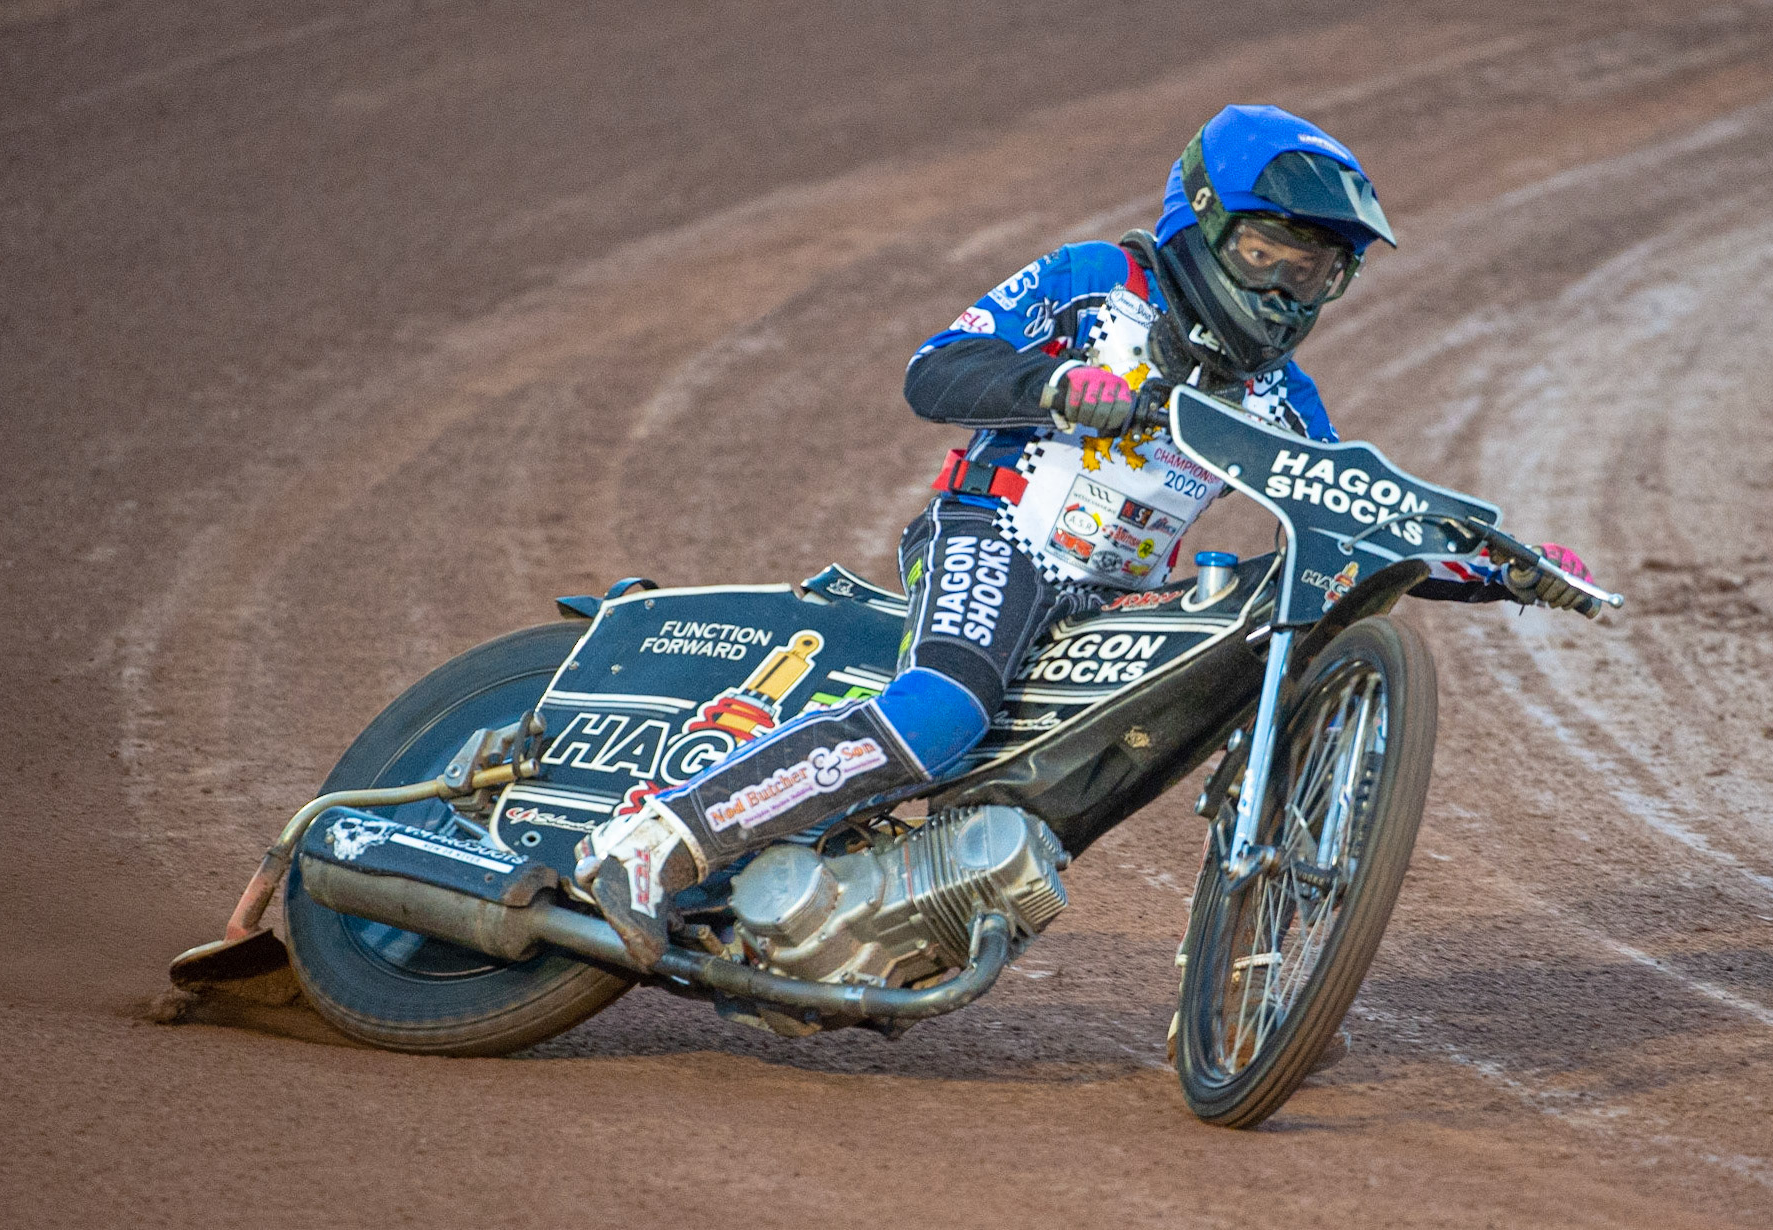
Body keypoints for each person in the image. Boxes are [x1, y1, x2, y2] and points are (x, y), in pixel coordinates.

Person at [571, 104, 1595, 966]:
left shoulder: (1283, 396)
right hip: (996, 534)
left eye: (1316, 272)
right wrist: (1055, 387)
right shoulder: (1095, 280)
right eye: (1267, 253)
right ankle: (654, 837)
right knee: (946, 709)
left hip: (1110, 597)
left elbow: (1353, 516)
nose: (1286, 291)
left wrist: (1508, 569)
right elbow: (934, 369)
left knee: (1115, 748)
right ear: (1199, 221)